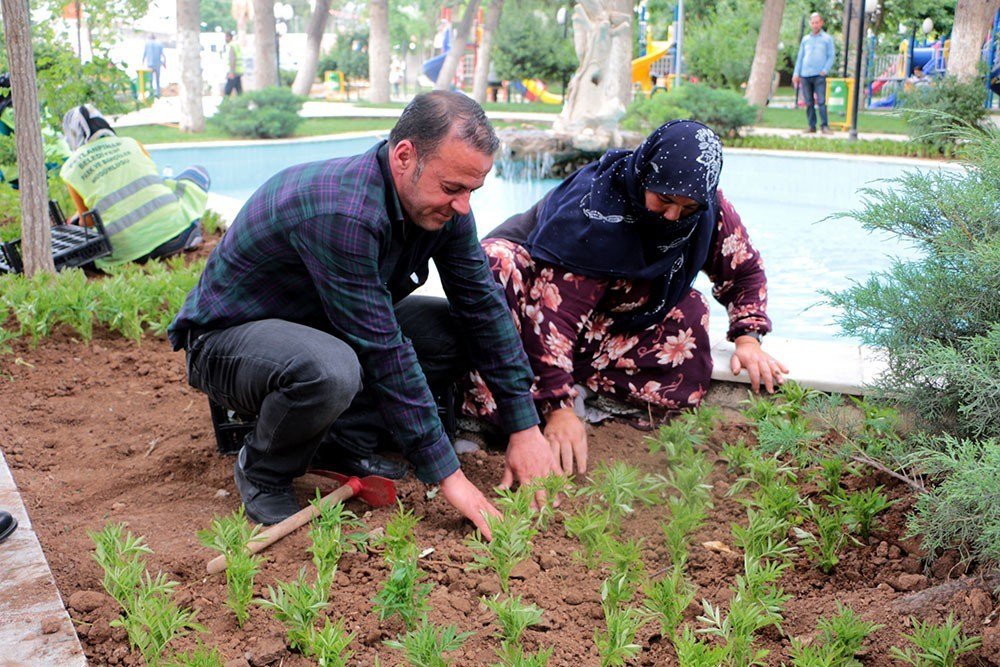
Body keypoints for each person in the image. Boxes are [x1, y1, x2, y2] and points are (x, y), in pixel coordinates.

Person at [168, 92, 558, 534]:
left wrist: (524, 426)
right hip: (228, 341)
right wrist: (452, 480)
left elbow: (482, 307)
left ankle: (340, 443)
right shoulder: (344, 212)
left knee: (455, 331)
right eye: (452, 188)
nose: (463, 205)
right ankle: (263, 469)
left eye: (473, 190)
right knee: (331, 369)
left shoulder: (444, 207)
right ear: (405, 156)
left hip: (321, 325)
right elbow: (383, 350)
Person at [464, 120, 788, 475]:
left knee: (690, 311)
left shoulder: (707, 208)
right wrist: (559, 408)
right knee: (497, 262)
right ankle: (496, 418)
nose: (672, 216)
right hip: (528, 313)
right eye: (663, 200)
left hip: (601, 323)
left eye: (688, 208)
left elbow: (744, 269)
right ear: (644, 174)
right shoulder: (595, 210)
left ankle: (588, 394)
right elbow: (554, 315)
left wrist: (748, 337)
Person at [60, 105, 209, 268]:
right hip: (176, 238)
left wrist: (75, 220)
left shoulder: (71, 168)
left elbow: (87, 221)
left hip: (126, 253)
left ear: (71, 135)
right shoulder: (132, 143)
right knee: (197, 173)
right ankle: (190, 230)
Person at [792, 13, 836, 135]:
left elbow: (831, 56)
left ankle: (824, 126)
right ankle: (811, 126)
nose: (815, 25)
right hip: (805, 75)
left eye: (817, 22)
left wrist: (825, 70)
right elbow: (800, 57)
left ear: (821, 23)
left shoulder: (827, 39)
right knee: (809, 102)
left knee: (821, 101)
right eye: (813, 23)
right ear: (810, 24)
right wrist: (796, 73)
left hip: (819, 75)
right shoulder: (805, 39)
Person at [142, 34, 166, 98]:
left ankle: (151, 93)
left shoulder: (147, 44)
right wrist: (164, 64)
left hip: (150, 64)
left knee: (150, 79)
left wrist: (142, 62)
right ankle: (157, 93)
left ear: (149, 38)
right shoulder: (159, 44)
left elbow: (144, 53)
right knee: (158, 79)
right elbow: (163, 55)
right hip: (158, 64)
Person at [223, 32, 244, 97]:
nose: (225, 39)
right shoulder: (236, 45)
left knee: (227, 91)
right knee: (239, 90)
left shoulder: (231, 46)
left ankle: (224, 104)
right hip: (238, 71)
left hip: (233, 72)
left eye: (226, 37)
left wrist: (231, 72)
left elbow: (232, 59)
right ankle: (242, 103)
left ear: (230, 37)